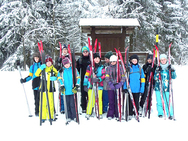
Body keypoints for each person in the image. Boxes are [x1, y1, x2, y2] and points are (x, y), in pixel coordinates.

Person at [35, 55, 61, 122]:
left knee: (50, 102)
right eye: (47, 62)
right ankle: (43, 117)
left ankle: (50, 116)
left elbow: (58, 75)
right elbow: (36, 74)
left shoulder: (53, 69)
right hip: (43, 87)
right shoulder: (43, 68)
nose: (49, 63)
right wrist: (40, 68)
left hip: (50, 88)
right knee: (43, 103)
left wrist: (55, 78)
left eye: (50, 62)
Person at [154, 54, 177, 119]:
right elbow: (155, 78)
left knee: (168, 100)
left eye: (164, 59)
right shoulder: (158, 67)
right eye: (161, 60)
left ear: (166, 60)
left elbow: (174, 77)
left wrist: (172, 71)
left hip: (167, 87)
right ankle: (160, 113)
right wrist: (157, 72)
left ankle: (170, 113)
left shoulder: (169, 67)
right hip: (158, 87)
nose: (163, 61)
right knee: (159, 100)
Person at [83, 53, 105, 119]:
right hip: (91, 85)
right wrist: (85, 84)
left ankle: (99, 112)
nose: (97, 60)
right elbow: (86, 76)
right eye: (95, 58)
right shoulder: (89, 67)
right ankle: (88, 112)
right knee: (91, 100)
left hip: (99, 85)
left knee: (99, 99)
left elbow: (104, 75)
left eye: (98, 58)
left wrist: (99, 79)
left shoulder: (102, 67)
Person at [123, 54, 145, 120]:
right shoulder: (129, 68)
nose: (134, 61)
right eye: (133, 60)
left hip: (137, 89)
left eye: (135, 60)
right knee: (129, 102)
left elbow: (142, 79)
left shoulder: (140, 68)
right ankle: (130, 113)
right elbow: (125, 79)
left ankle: (136, 112)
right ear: (131, 61)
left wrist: (142, 88)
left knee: (136, 102)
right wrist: (125, 87)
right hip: (130, 89)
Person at [20, 52, 41, 116]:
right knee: (36, 98)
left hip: (41, 82)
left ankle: (42, 110)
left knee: (41, 98)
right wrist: (24, 80)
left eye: (37, 58)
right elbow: (30, 76)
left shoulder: (42, 65)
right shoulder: (32, 66)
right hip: (35, 83)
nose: (36, 59)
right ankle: (37, 111)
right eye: (35, 58)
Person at [59, 57, 80, 123]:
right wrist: (62, 86)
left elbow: (78, 78)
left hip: (72, 90)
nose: (67, 65)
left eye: (68, 63)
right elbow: (59, 78)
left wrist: (77, 85)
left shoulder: (74, 70)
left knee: (72, 104)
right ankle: (68, 116)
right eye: (65, 64)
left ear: (70, 63)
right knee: (66, 104)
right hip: (65, 90)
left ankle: (74, 116)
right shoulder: (61, 71)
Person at [105, 55, 126, 120]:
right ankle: (110, 114)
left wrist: (120, 83)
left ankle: (118, 113)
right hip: (110, 86)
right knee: (111, 100)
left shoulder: (120, 68)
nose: (112, 63)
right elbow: (107, 77)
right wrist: (110, 83)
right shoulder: (108, 68)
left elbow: (123, 76)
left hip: (118, 86)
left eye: (114, 61)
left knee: (118, 100)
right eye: (111, 62)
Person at [76, 46, 91, 113]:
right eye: (84, 52)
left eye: (86, 51)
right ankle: (83, 106)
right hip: (82, 77)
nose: (85, 53)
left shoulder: (90, 59)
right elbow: (77, 69)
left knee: (89, 92)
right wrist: (79, 66)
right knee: (83, 93)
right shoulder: (80, 60)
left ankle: (90, 106)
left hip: (89, 78)